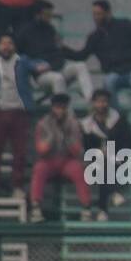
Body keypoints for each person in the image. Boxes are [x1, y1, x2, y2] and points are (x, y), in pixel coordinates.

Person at [0, 33, 48, 200]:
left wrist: (42, 66)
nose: (6, 46)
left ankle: (17, 186)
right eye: (3, 43)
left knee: (20, 153)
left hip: (19, 113)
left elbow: (41, 65)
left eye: (9, 43)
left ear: (14, 46)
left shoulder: (23, 61)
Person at [65, 0, 131, 112]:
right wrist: (62, 49)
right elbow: (81, 55)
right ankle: (117, 118)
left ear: (108, 13)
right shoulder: (94, 37)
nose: (95, 17)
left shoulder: (124, 25)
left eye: (99, 14)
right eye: (94, 14)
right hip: (113, 72)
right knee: (108, 83)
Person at [30, 93, 92, 222]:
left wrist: (67, 137)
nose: (60, 110)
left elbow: (78, 150)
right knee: (39, 169)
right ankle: (36, 208)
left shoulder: (73, 123)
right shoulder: (43, 123)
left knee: (79, 170)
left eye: (63, 107)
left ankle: (86, 208)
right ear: (52, 107)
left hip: (67, 159)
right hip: (49, 160)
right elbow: (41, 149)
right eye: (58, 107)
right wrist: (52, 136)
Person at [17, 0, 95, 103]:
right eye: (47, 15)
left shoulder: (51, 30)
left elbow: (60, 52)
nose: (50, 18)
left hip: (57, 67)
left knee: (80, 66)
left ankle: (92, 100)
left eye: (50, 15)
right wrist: (34, 66)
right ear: (38, 15)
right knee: (58, 79)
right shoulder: (25, 32)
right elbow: (20, 57)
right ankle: (65, 111)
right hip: (42, 75)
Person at [80, 88, 131, 214]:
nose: (101, 104)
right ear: (93, 103)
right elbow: (86, 147)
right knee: (103, 166)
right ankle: (113, 194)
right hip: (94, 161)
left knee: (106, 166)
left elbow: (128, 142)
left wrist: (114, 154)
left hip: (117, 159)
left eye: (104, 101)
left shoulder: (119, 120)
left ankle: (102, 209)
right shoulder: (87, 125)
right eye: (98, 102)